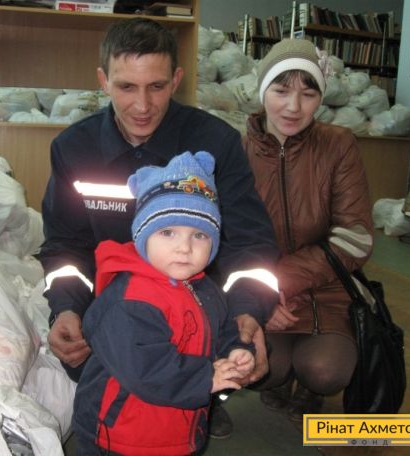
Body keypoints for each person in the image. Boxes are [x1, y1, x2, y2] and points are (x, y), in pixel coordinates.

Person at [38, 17, 280, 438]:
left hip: (195, 304)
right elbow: (64, 245)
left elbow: (251, 244)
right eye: (126, 87)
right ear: (103, 81)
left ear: (176, 80)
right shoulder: (74, 149)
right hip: (116, 309)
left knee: (229, 352)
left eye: (156, 86)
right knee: (103, 374)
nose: (142, 105)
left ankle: (198, 397)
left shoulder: (217, 143)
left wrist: (248, 312)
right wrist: (67, 308)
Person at [73, 151, 256, 455]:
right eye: (168, 232)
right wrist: (206, 378)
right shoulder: (130, 300)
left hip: (179, 430)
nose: (184, 247)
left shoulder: (204, 288)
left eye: (199, 235)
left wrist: (236, 349)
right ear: (143, 236)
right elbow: (145, 370)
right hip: (121, 437)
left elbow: (223, 328)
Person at [243, 38, 374, 421]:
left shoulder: (338, 145)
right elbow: (227, 238)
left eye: (308, 93)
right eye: (281, 91)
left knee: (324, 371)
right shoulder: (238, 151)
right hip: (260, 287)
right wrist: (261, 294)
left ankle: (309, 384)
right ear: (262, 90)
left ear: (321, 97)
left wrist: (281, 281)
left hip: (328, 285)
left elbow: (355, 236)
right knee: (264, 368)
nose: (293, 107)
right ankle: (282, 375)